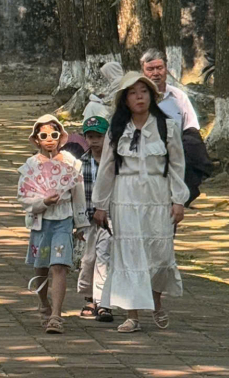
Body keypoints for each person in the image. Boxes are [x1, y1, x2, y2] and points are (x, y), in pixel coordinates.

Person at [92, 70, 188, 333]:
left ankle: (156, 300)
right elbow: (107, 168)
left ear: (151, 96)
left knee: (159, 252)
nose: (139, 97)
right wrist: (100, 204)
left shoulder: (166, 127)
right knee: (128, 255)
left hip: (158, 196)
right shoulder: (117, 129)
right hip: (125, 197)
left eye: (143, 92)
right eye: (133, 93)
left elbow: (177, 166)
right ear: (125, 99)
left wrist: (178, 200)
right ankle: (132, 315)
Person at [17, 113, 88, 334]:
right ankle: (43, 303)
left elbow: (79, 194)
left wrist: (81, 223)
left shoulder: (71, 163)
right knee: (41, 266)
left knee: (59, 265)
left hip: (64, 220)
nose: (49, 138)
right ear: (36, 138)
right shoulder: (30, 165)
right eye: (44, 134)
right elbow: (24, 196)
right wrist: (42, 202)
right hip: (41, 222)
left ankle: (57, 314)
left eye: (54, 134)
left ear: (61, 137)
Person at [140, 48, 212, 203]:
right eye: (150, 69)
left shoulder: (179, 98)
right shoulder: (136, 99)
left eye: (159, 68)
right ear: (143, 71)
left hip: (173, 165)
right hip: (142, 167)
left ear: (166, 70)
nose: (155, 73)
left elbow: (191, 131)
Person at [75, 115, 113, 323]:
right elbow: (77, 194)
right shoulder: (81, 163)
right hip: (87, 219)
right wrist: (77, 223)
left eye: (99, 136)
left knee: (104, 258)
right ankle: (89, 297)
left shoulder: (114, 163)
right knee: (88, 259)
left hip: (109, 218)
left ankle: (104, 302)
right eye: (90, 136)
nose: (95, 140)